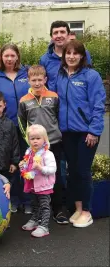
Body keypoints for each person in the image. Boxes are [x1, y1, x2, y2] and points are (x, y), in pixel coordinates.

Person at [55, 40, 106, 228]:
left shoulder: (91, 76)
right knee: (73, 171)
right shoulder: (60, 75)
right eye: (68, 53)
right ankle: (77, 209)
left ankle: (87, 211)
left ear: (82, 56)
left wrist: (94, 130)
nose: (71, 56)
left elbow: (98, 105)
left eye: (75, 53)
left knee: (83, 172)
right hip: (67, 132)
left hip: (86, 133)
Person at [18, 65, 68, 225]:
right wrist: (30, 143)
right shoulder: (24, 100)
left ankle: (58, 209)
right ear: (28, 80)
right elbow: (21, 123)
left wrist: (59, 134)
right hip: (35, 147)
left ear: (45, 79)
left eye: (40, 79)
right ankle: (39, 210)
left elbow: (60, 117)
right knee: (37, 178)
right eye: (34, 80)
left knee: (56, 175)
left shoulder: (53, 96)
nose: (37, 83)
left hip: (54, 143)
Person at [0, 44, 31, 213]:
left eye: (12, 55)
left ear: (17, 57)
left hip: (27, 127)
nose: (9, 59)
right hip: (6, 126)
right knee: (11, 165)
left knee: (27, 164)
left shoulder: (25, 74)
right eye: (6, 55)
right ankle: (13, 198)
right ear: (1, 57)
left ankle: (28, 199)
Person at [20, 124, 56, 238]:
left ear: (44, 139)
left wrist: (41, 168)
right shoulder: (29, 152)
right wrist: (22, 166)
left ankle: (44, 226)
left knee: (44, 205)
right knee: (34, 204)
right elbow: (27, 166)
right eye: (32, 139)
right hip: (32, 184)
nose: (35, 141)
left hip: (44, 185)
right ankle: (35, 220)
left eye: (38, 138)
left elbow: (53, 169)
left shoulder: (47, 154)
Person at [40, 21, 92, 91]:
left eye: (62, 32)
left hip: (77, 100)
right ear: (51, 37)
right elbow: (43, 83)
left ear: (68, 35)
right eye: (55, 33)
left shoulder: (82, 54)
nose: (59, 35)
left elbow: (89, 78)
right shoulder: (44, 59)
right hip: (53, 100)